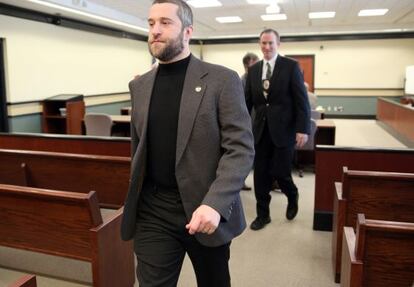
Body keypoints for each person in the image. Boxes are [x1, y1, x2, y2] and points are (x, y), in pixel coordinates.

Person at [120, 1, 255, 286]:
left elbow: (240, 149)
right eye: (151, 23)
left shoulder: (222, 80)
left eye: (166, 23)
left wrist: (215, 204)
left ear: (187, 31)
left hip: (203, 208)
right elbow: (139, 150)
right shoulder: (139, 86)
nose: (155, 30)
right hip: (153, 209)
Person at [245, 28, 310, 230]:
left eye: (270, 43)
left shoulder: (290, 66)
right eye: (263, 43)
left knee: (281, 173)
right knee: (261, 175)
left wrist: (303, 129)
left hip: (285, 131)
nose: (267, 47)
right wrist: (238, 128)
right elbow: (246, 103)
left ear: (278, 44)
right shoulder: (253, 71)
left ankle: (292, 194)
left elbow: (302, 101)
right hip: (260, 132)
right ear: (259, 44)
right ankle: (262, 215)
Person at [240, 52, 259, 191]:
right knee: (246, 154)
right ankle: (240, 181)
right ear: (247, 65)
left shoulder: (257, 78)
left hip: (257, 123)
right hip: (248, 123)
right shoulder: (243, 80)